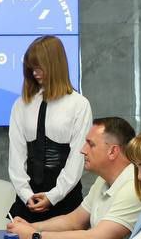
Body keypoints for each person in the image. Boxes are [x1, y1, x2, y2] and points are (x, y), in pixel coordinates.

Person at [5, 117, 139, 239]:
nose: (83, 150)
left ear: (113, 151)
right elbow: (74, 221)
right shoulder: (103, 180)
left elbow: (96, 237)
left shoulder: (134, 186)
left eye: (91, 144)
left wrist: (32, 236)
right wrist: (30, 227)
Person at [8, 35, 91, 223]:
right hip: (28, 201)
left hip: (66, 199)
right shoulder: (21, 104)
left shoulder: (79, 104)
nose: (34, 73)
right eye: (31, 67)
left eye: (39, 67)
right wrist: (26, 194)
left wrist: (53, 196)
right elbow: (16, 155)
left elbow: (77, 157)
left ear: (54, 65)